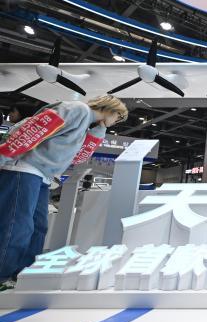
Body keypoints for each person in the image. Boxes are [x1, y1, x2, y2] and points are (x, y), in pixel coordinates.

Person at [0, 95, 128, 289]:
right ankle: (3, 274)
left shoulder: (86, 124)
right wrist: (3, 156)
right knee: (17, 225)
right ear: (111, 109)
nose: (116, 122)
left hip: (42, 175)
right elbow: (34, 130)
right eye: (118, 117)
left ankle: (22, 273)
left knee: (38, 227)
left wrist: (98, 133)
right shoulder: (76, 109)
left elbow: (78, 158)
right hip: (24, 168)